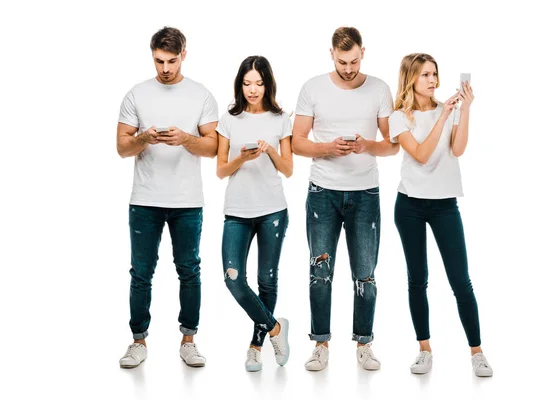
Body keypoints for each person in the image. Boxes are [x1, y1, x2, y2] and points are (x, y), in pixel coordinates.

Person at [291, 27, 398, 371]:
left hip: (366, 192)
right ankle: (320, 343)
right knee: (320, 272)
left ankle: (364, 344)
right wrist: (326, 148)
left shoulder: (380, 88)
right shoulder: (313, 88)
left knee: (365, 274)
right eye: (342, 61)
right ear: (331, 55)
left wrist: (369, 146)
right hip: (323, 192)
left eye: (353, 61)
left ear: (363, 53)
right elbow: (295, 141)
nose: (348, 68)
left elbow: (393, 143)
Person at [116, 26, 218, 369]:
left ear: (184, 55)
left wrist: (186, 139)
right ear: (152, 56)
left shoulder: (201, 95)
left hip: (187, 200)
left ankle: (189, 340)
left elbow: (214, 146)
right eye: (159, 60)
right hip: (145, 198)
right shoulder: (136, 94)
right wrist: (144, 137)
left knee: (189, 271)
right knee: (141, 272)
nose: (165, 68)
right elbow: (121, 147)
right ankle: (138, 341)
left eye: (172, 61)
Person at [388, 53, 493, 377]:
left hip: (445, 204)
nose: (433, 80)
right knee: (417, 280)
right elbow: (419, 154)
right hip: (410, 206)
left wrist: (465, 111)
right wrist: (443, 116)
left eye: (435, 74)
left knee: (461, 281)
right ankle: (424, 349)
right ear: (411, 80)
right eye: (425, 75)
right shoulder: (398, 117)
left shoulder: (450, 110)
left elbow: (457, 150)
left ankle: (477, 352)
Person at [216, 55, 293, 372]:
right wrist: (243, 158)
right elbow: (221, 170)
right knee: (233, 279)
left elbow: (288, 169)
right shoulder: (229, 119)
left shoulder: (280, 118)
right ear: (240, 84)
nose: (252, 89)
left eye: (258, 83)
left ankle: (256, 346)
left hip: (273, 209)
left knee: (267, 281)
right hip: (237, 209)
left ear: (267, 84)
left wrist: (270, 150)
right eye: (247, 83)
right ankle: (276, 328)